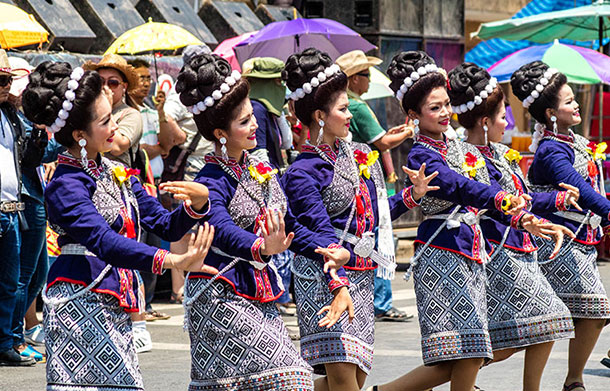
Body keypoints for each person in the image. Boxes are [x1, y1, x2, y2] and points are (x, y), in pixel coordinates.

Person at [366, 51, 564, 391]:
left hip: (470, 254)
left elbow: (490, 191)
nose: (445, 114)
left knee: (468, 354)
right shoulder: (421, 154)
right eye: (434, 108)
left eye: (446, 105)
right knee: (467, 353)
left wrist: (523, 220)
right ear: (413, 114)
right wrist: (501, 199)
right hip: (440, 255)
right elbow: (463, 186)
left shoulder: (460, 148)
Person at [21, 61, 216, 390]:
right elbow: (105, 241)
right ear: (80, 135)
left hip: (115, 301)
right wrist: (172, 261)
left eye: (111, 115)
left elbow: (165, 225)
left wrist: (197, 204)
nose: (114, 126)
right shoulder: (66, 184)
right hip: (79, 302)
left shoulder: (114, 170)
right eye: (105, 121)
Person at [175, 53, 352, 390]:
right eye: (244, 122)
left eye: (252, 116)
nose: (255, 124)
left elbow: (288, 228)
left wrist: (328, 251)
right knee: (292, 379)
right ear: (220, 133)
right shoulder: (211, 179)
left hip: (258, 292)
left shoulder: (259, 170)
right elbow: (221, 231)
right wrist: (261, 246)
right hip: (220, 292)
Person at [280, 48, 439, 391]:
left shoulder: (359, 155)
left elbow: (375, 215)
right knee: (343, 379)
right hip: (326, 277)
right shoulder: (302, 172)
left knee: (356, 377)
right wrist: (338, 278)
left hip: (362, 276)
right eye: (343, 109)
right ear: (320, 116)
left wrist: (413, 195)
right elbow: (320, 233)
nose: (350, 115)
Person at [448, 62, 577, 391]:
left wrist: (555, 204)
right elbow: (496, 203)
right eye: (504, 117)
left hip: (521, 249)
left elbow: (524, 198)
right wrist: (528, 219)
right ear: (486, 121)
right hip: (498, 250)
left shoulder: (500, 154)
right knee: (541, 323)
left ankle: (473, 375)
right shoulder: (467, 159)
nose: (509, 124)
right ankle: (462, 374)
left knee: (543, 325)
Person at [511, 61, 610, 391]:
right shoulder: (553, 150)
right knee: (571, 318)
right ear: (551, 114)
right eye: (568, 101)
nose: (577, 104)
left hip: (580, 241)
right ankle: (571, 380)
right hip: (559, 243)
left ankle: (573, 380)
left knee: (563, 321)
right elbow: (580, 189)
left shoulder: (569, 141)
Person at [336, 49, 414, 322]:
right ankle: (381, 301)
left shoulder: (354, 105)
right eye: (365, 75)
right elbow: (382, 143)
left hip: (363, 174)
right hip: (365, 177)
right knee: (378, 236)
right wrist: (407, 131)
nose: (368, 81)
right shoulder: (356, 106)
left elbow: (377, 138)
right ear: (353, 79)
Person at [128, 58, 184, 322]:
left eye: (148, 78)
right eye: (140, 78)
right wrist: (152, 150)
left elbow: (166, 144)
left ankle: (147, 303)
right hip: (136, 185)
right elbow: (143, 149)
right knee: (137, 247)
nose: (146, 83)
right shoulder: (127, 115)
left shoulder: (150, 112)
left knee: (153, 245)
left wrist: (161, 111)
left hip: (156, 186)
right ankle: (136, 303)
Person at [0, 49, 46, 367]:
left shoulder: (12, 116)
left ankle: (8, 342)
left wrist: (40, 138)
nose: (7, 87)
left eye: (9, 80)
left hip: (12, 207)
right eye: (2, 80)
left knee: (12, 282)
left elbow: (28, 161)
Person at [163, 45, 215, 305]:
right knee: (185, 229)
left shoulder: (209, 85)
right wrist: (180, 135)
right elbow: (167, 114)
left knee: (200, 227)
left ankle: (190, 282)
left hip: (206, 161)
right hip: (191, 164)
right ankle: (179, 286)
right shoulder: (179, 89)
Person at [243, 57, 290, 170]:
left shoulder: (268, 110)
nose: (282, 87)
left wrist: (280, 113)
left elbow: (286, 143)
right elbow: (259, 156)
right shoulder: (257, 110)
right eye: (278, 82)